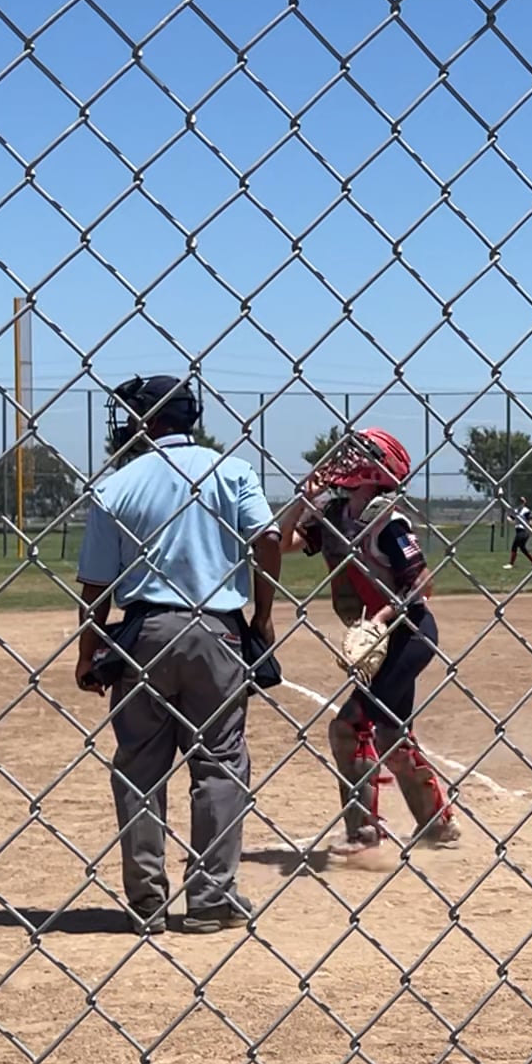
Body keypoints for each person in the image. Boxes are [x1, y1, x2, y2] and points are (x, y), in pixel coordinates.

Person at [74, 375, 281, 936]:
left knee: (140, 767)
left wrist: (87, 652)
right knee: (219, 762)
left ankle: (146, 902)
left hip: (144, 634)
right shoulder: (232, 471)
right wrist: (262, 614)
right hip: (219, 633)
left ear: (149, 420)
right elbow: (268, 538)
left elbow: (96, 585)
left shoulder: (118, 486)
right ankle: (211, 899)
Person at [281, 427, 460, 853]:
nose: (341, 462)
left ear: (377, 470)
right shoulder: (334, 514)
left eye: (355, 455)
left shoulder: (387, 522)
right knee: (390, 734)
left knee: (349, 727)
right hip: (382, 639)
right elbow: (282, 543)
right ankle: (437, 824)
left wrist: (380, 619)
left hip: (408, 633)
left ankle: (364, 832)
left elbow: (422, 584)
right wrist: (300, 502)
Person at [505, 496, 532, 569]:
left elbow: (530, 519)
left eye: (522, 502)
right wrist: (508, 518)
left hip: (524, 531)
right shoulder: (516, 510)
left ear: (524, 503)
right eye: (519, 501)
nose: (520, 503)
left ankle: (511, 564)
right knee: (522, 548)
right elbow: (511, 518)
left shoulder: (526, 510)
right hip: (518, 531)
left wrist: (530, 523)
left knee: (514, 546)